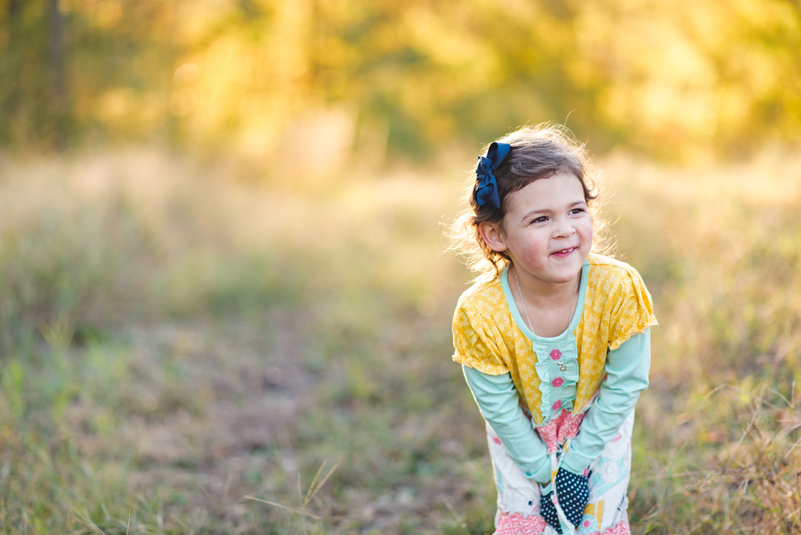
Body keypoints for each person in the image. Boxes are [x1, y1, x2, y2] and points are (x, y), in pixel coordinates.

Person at [450, 124, 656, 535]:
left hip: (600, 422)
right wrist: (545, 473)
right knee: (528, 522)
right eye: (541, 218)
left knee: (599, 522)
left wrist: (577, 463)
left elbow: (626, 383)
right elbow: (500, 409)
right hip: (521, 433)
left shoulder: (618, 288)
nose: (565, 229)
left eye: (576, 210)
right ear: (496, 234)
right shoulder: (479, 313)